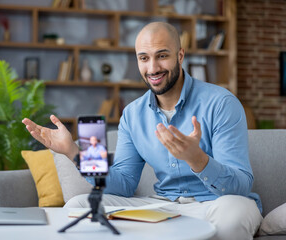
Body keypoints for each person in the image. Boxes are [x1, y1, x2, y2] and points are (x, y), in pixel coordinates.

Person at [22, 22, 262, 239]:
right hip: (163, 205)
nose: (153, 68)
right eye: (144, 58)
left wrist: (197, 159)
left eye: (162, 56)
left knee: (234, 215)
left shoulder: (221, 103)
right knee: (77, 205)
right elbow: (124, 184)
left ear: (180, 55)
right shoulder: (132, 114)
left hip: (215, 204)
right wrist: (74, 152)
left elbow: (240, 187)